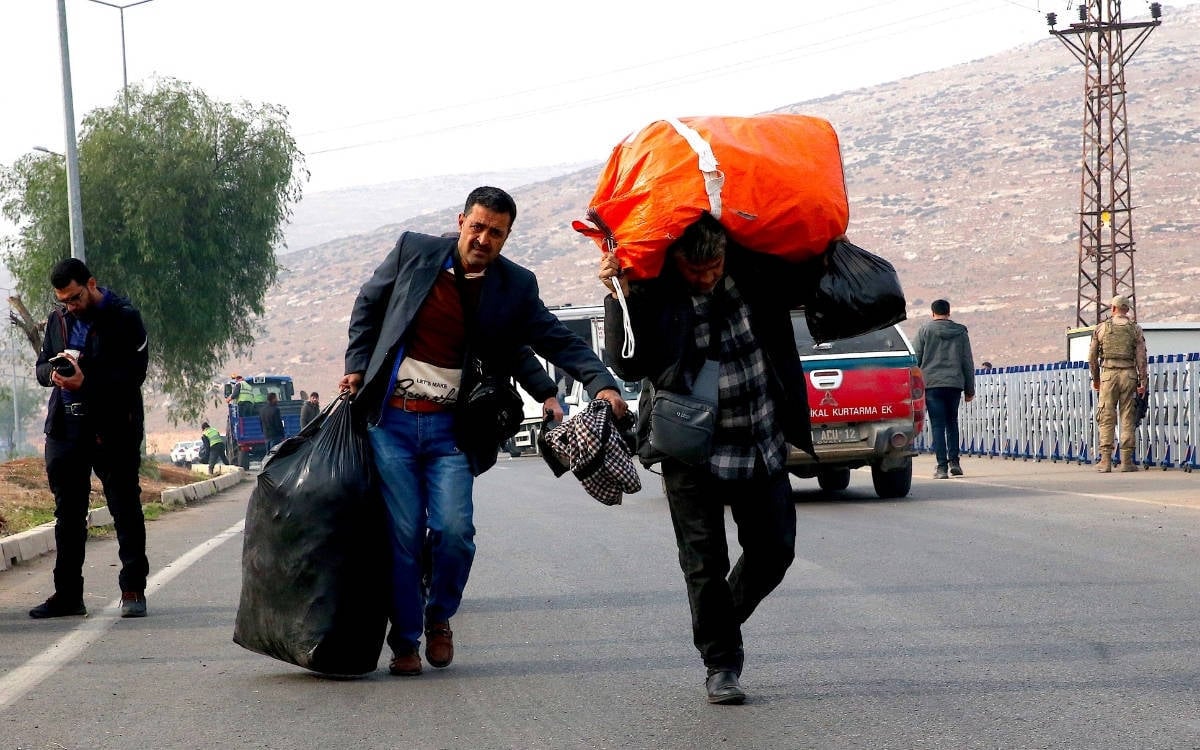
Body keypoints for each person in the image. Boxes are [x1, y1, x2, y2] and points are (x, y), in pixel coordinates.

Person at [340, 185, 627, 678]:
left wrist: (601, 383)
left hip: (453, 428)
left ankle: (439, 617)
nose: (483, 239)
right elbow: (369, 304)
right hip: (392, 422)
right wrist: (356, 365)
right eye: (477, 227)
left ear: (507, 237)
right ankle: (405, 640)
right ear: (460, 222)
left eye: (495, 232)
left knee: (454, 532)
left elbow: (552, 338)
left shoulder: (513, 286)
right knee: (403, 534)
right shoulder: (414, 251)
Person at [598, 212, 819, 706]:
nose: (705, 277)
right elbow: (626, 362)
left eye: (713, 266)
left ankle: (718, 623)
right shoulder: (653, 289)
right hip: (689, 450)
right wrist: (619, 296)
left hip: (760, 440)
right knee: (704, 562)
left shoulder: (756, 272)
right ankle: (721, 664)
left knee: (774, 551)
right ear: (674, 259)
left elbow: (805, 274)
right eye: (695, 270)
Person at [30, 258, 150, 619]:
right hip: (66, 430)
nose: (70, 305)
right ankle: (67, 595)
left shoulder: (125, 318)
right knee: (68, 515)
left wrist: (87, 382)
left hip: (113, 428)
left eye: (75, 297)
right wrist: (54, 372)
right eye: (63, 300)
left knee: (124, 509)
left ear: (91, 283)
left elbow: (133, 376)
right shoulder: (58, 322)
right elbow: (39, 368)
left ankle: (133, 590)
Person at [914, 299, 976, 479]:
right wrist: (969, 389)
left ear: (932, 313)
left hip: (932, 385)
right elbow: (967, 361)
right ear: (949, 312)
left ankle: (941, 468)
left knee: (938, 425)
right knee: (952, 423)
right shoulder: (960, 331)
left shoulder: (924, 331)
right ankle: (955, 463)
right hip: (954, 384)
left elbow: (916, 359)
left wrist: (913, 385)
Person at [1088, 295, 1148, 472]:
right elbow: (1142, 358)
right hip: (1129, 375)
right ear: (1127, 309)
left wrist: (1097, 379)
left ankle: (1105, 461)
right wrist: (1142, 381)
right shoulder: (1135, 329)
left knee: (1106, 417)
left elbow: (1092, 358)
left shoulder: (1101, 328)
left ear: (1112, 309)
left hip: (1108, 375)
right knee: (1127, 417)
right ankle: (1126, 462)